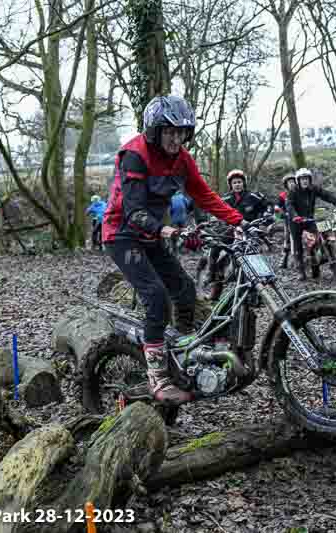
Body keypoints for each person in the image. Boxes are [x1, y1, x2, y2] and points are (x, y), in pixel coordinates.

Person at [101, 94, 246, 405]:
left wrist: (238, 221)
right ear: (154, 131)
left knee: (184, 289)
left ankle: (181, 353)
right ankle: (159, 379)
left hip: (151, 234)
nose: (175, 138)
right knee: (155, 298)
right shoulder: (134, 155)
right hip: (122, 235)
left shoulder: (182, 159)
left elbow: (204, 195)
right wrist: (166, 229)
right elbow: (133, 211)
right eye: (169, 131)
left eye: (181, 132)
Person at [205, 169, 269, 299]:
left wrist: (265, 220)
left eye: (239, 182)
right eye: (234, 183)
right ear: (231, 185)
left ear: (244, 183)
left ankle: (258, 293)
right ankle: (212, 280)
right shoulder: (225, 199)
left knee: (254, 261)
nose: (237, 185)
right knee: (215, 248)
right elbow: (216, 211)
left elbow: (267, 208)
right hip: (230, 231)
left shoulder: (253, 197)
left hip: (249, 232)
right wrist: (214, 220)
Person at [286, 167, 336, 281]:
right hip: (296, 222)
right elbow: (289, 205)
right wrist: (295, 216)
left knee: (315, 241)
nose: (304, 181)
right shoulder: (293, 192)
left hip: (309, 220)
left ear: (310, 180)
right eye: (302, 179)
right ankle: (301, 271)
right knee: (298, 247)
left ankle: (316, 267)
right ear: (298, 181)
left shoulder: (313, 189)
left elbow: (325, 194)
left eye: (306, 178)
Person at [276, 174, 297, 269]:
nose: (292, 184)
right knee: (288, 238)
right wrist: (279, 214)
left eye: (293, 182)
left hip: (300, 218)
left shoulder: (300, 193)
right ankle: (284, 259)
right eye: (289, 182)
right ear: (286, 185)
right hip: (288, 219)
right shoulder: (282, 195)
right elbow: (277, 207)